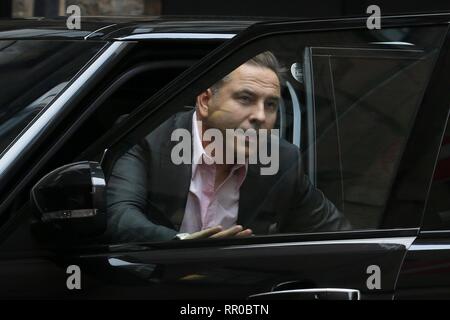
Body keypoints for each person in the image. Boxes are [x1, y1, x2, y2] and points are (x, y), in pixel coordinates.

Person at [106, 51, 351, 242]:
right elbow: (120, 217)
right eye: (245, 99)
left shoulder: (282, 161)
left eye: (271, 105)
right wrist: (183, 246)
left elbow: (338, 235)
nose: (260, 116)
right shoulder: (148, 136)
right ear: (205, 101)